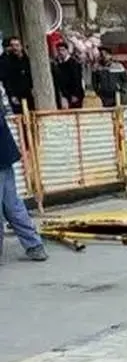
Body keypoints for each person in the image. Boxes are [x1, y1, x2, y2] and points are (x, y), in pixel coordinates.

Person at [0, 111, 47, 262]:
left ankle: (34, 246)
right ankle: (34, 245)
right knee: (12, 204)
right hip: (4, 155)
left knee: (11, 204)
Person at [0, 38, 33, 115]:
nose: (14, 48)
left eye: (17, 45)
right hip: (16, 94)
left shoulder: (27, 59)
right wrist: (12, 95)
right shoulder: (7, 61)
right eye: (12, 46)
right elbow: (7, 80)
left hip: (29, 93)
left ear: (21, 46)